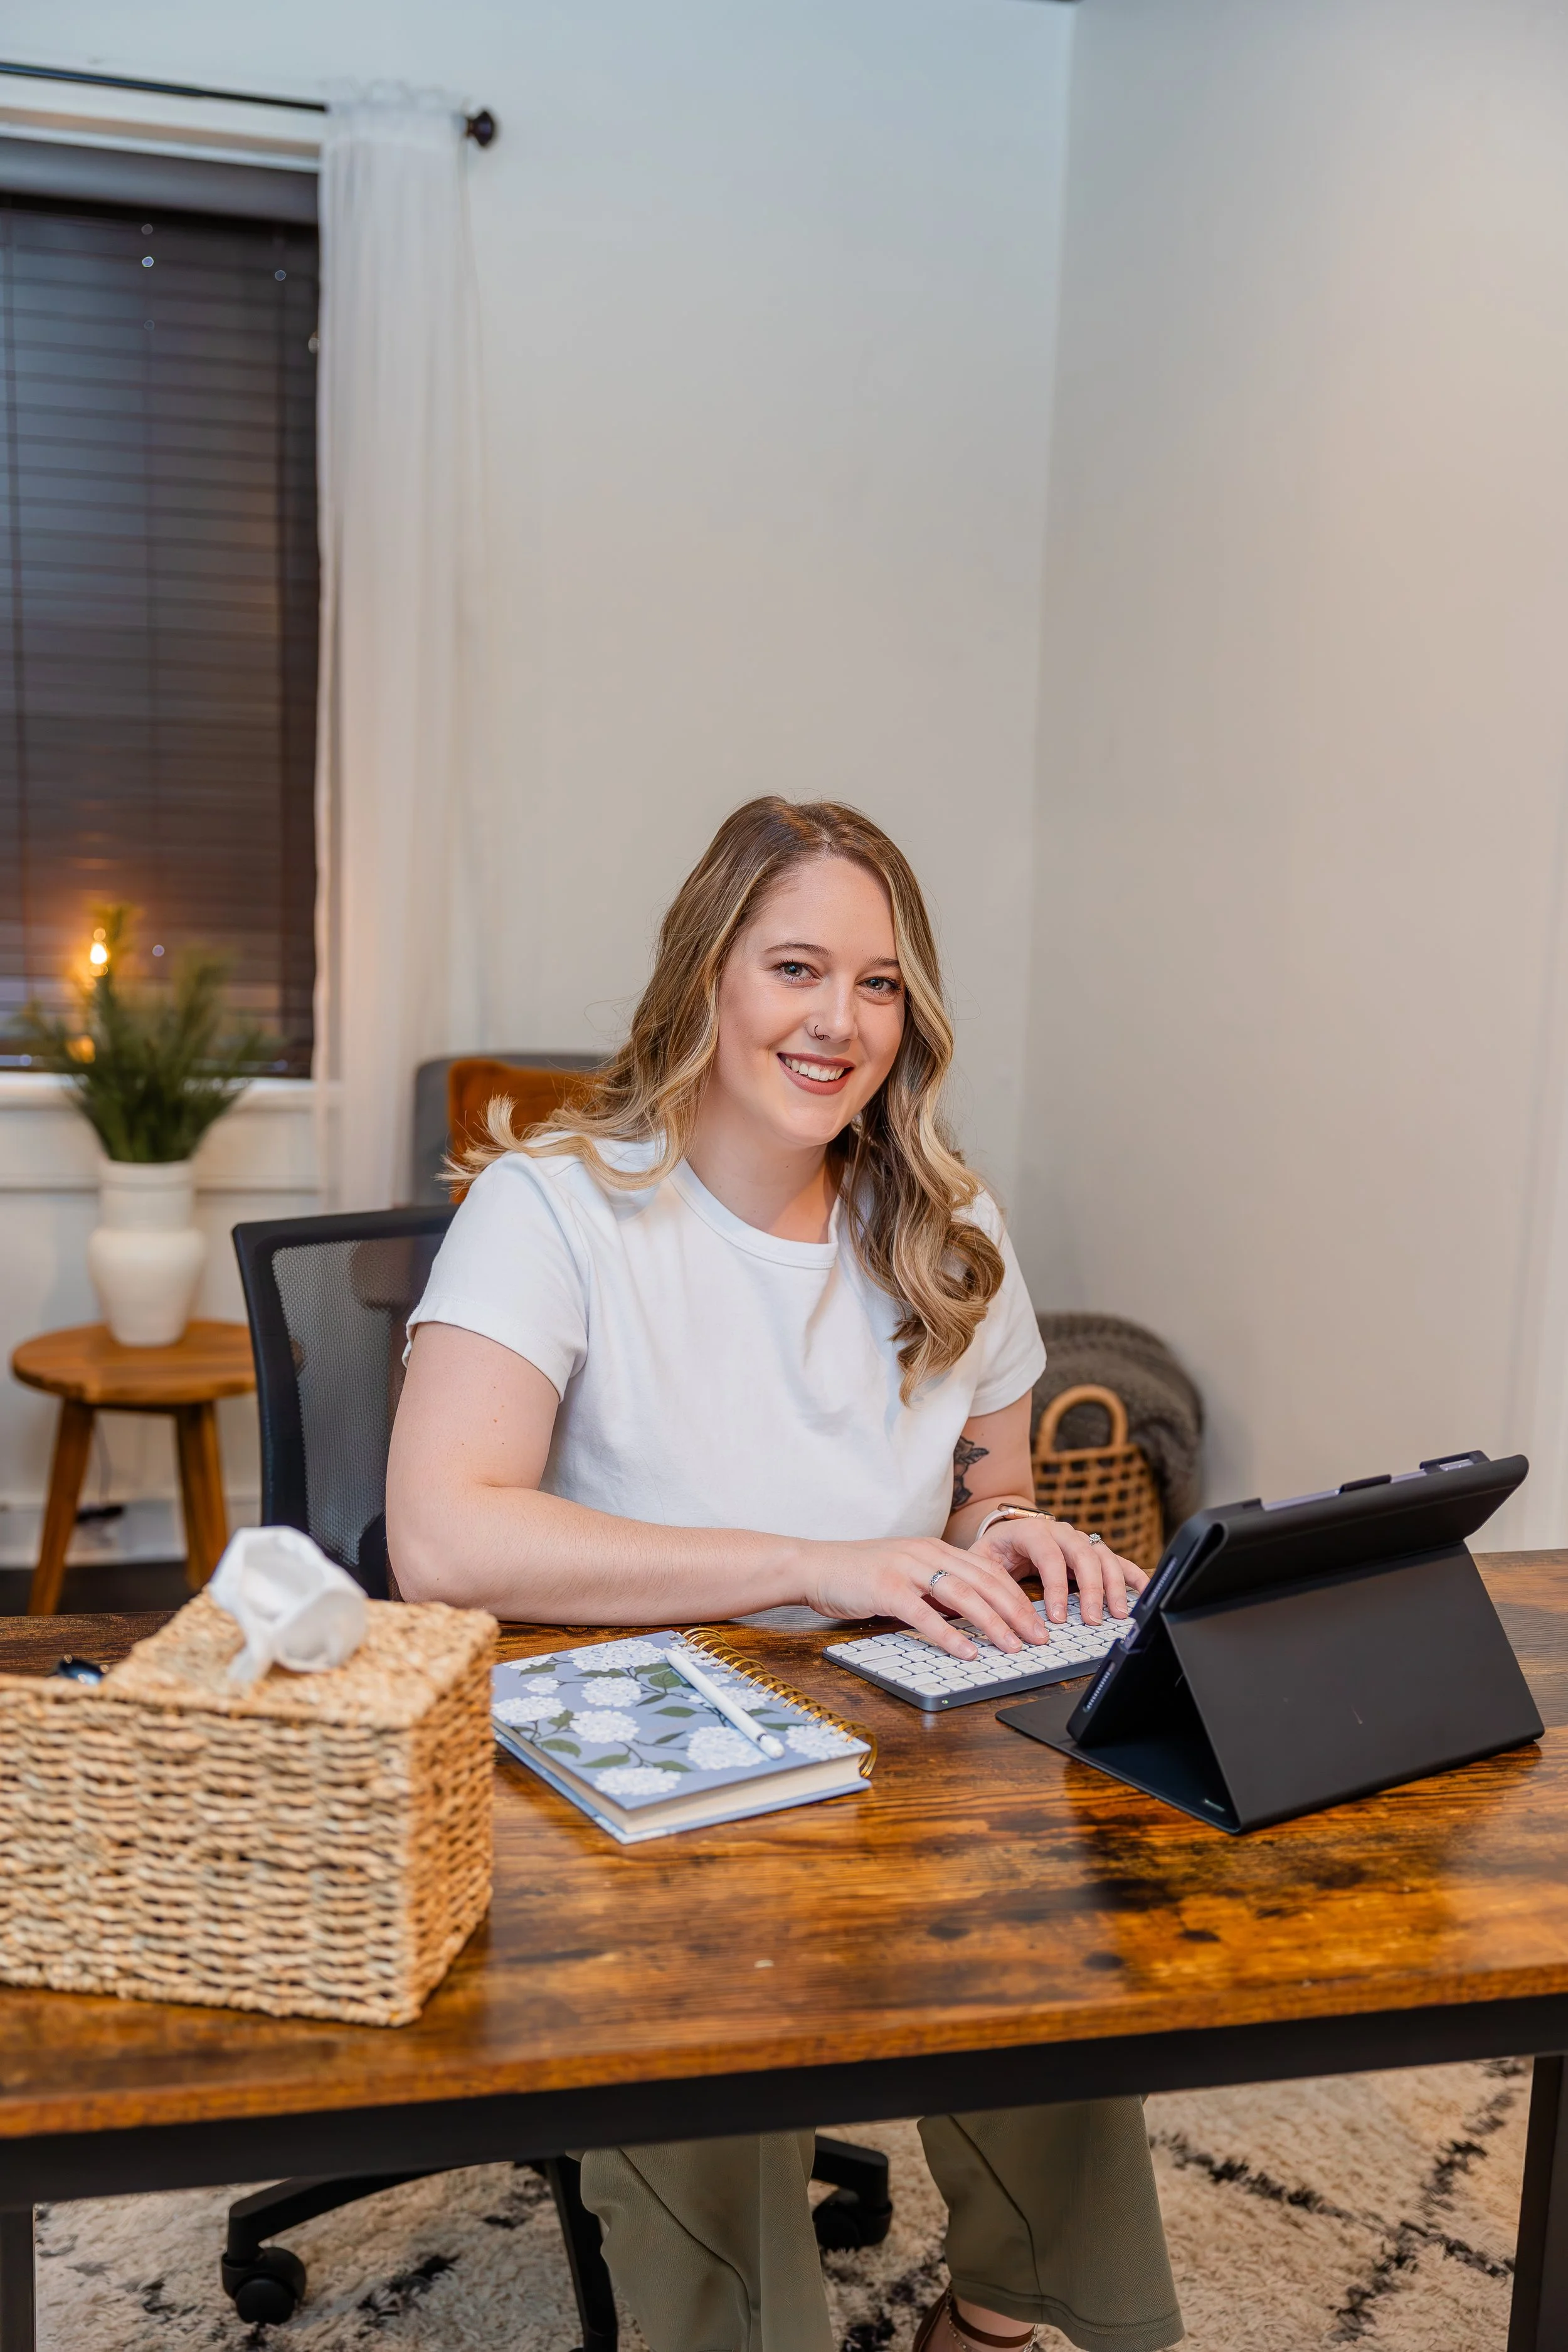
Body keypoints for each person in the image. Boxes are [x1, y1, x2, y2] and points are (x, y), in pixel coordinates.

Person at [389, 798, 1183, 2352]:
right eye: (796, 968)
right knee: (707, 2043)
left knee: (1062, 1938)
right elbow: (442, 1534)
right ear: (706, 980)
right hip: (632, 1752)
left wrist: (1000, 1539)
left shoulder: (947, 1221)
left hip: (888, 1732)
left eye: (878, 983)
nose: (839, 1022)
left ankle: (1000, 2316)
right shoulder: (554, 1204)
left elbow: (984, 1491)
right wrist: (810, 1566)